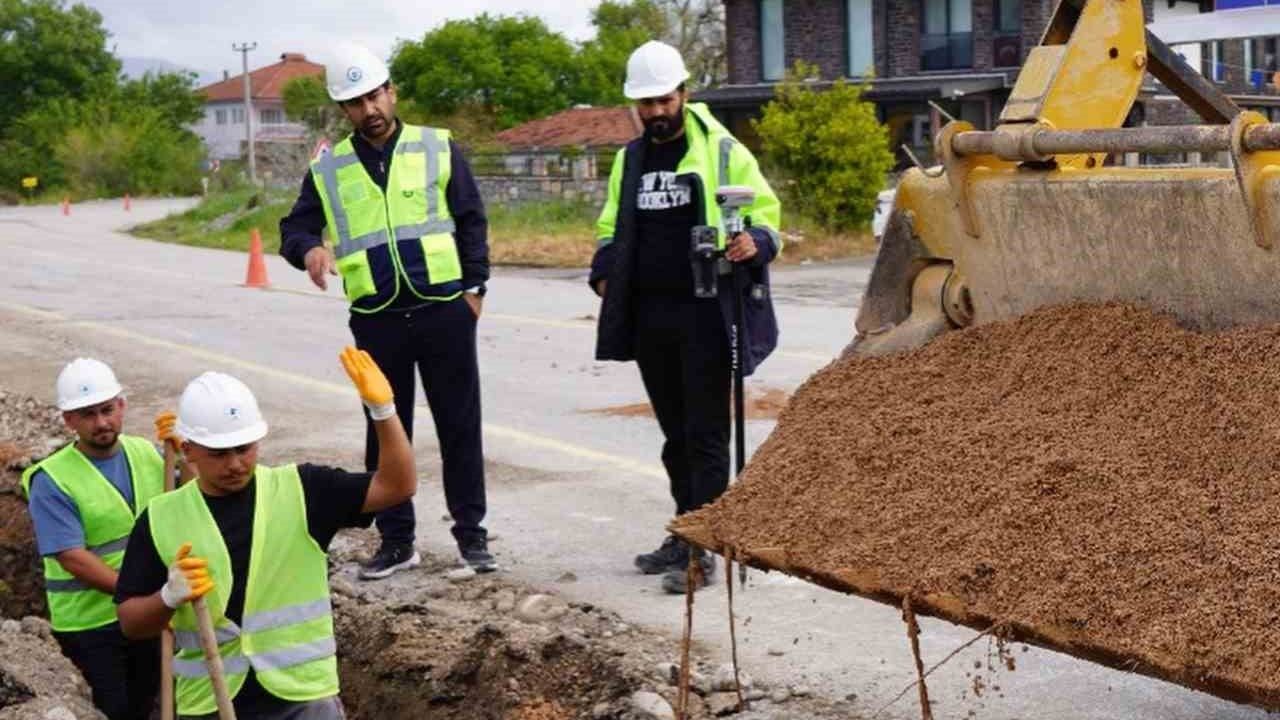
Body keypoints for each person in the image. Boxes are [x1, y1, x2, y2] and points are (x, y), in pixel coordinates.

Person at [279, 41, 494, 578]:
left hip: (444, 309)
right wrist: (309, 249)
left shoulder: (436, 146)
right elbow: (295, 226)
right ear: (343, 110)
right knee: (385, 429)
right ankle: (397, 542)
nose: (368, 109)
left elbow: (471, 218)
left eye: (375, 96)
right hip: (376, 318)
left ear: (391, 93)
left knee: (459, 426)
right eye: (355, 102)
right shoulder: (330, 168)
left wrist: (476, 289)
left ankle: (472, 539)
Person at [114, 347, 417, 720]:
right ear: (189, 450)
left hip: (302, 699)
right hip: (211, 699)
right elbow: (131, 621)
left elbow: (397, 486)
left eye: (244, 448)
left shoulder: (303, 490)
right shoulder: (162, 517)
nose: (236, 463)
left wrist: (383, 412)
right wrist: (167, 597)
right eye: (220, 453)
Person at [589, 41, 782, 594]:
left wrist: (755, 243)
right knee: (675, 437)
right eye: (644, 103)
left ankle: (703, 548)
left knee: (705, 436)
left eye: (663, 99)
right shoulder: (631, 158)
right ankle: (683, 531)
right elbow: (609, 228)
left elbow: (765, 217)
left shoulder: (723, 150)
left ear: (683, 94)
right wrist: (604, 275)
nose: (654, 112)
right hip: (651, 317)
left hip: (706, 315)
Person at [19, 358, 166, 720]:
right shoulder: (52, 479)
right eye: (88, 414)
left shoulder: (145, 453)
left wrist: (188, 450)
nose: (101, 422)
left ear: (122, 406)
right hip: (90, 627)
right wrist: (139, 594)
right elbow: (72, 557)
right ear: (69, 420)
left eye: (107, 410)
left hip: (145, 615)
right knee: (112, 711)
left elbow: (190, 500)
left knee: (145, 706)